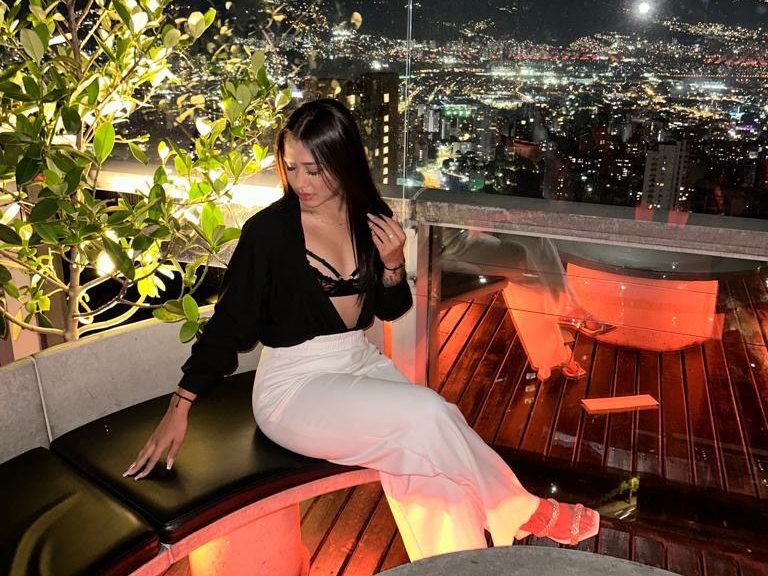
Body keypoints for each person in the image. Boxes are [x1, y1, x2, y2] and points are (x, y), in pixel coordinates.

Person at [124, 98, 599, 560]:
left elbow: (391, 309)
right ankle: (523, 508)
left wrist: (392, 265)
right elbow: (230, 324)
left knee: (430, 463)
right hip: (294, 385)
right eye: (291, 167)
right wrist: (180, 406)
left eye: (315, 169)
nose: (301, 182)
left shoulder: (369, 218)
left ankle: (458, 565)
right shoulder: (269, 232)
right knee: (429, 414)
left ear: (344, 162)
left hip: (359, 360)